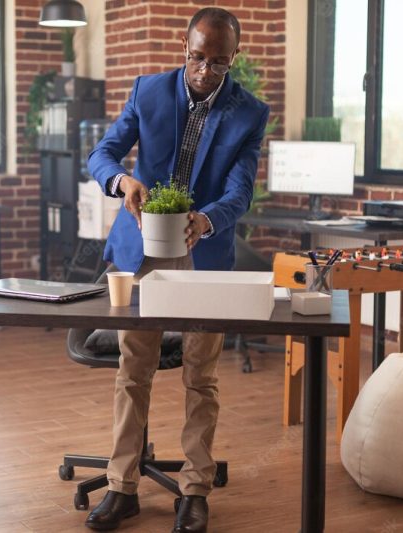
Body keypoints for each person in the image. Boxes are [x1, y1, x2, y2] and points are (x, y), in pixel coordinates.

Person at [85, 7, 269, 532]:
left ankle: (195, 489)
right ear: (182, 46)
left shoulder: (248, 112)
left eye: (217, 62)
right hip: (140, 250)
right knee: (133, 370)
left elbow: (239, 192)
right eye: (196, 57)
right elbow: (102, 154)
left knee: (200, 376)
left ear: (235, 57)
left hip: (203, 252)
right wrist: (122, 184)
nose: (204, 71)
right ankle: (122, 487)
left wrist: (206, 221)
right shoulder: (147, 91)